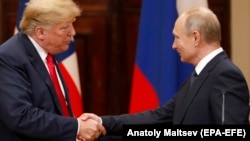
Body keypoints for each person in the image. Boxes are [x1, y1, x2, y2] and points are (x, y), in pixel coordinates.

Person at [82, 6, 250, 135]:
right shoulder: (199, 75)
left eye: (177, 37)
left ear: (196, 37)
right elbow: (158, 117)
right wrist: (102, 122)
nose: (174, 45)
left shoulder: (224, 75)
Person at [0, 0, 105, 141]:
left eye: (72, 24)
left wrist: (74, 127)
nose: (73, 32)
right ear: (41, 32)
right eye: (65, 27)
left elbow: (55, 108)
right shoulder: (8, 57)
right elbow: (21, 116)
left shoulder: (46, 50)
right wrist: (77, 127)